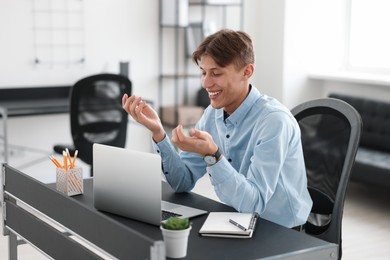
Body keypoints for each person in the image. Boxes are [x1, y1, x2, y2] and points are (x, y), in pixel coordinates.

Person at [122, 29, 312, 228]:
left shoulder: (274, 122)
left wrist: (213, 156)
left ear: (247, 72)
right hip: (237, 221)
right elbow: (182, 181)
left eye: (216, 73)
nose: (206, 82)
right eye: (203, 72)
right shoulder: (212, 115)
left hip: (283, 232)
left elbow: (254, 204)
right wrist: (158, 133)